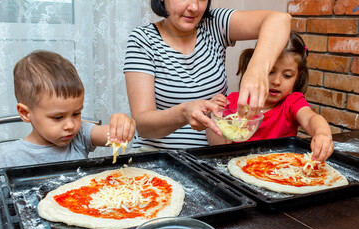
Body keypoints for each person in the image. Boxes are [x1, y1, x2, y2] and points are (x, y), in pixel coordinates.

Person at [124, 0, 291, 151]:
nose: (194, 7)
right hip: (158, 156)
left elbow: (281, 20)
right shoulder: (143, 39)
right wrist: (184, 113)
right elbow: (143, 125)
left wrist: (257, 69)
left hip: (211, 157)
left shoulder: (215, 24)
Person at [207, 31, 334, 162]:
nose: (277, 81)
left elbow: (310, 118)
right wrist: (213, 117)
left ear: (297, 77)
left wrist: (322, 134)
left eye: (287, 76)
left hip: (279, 170)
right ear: (255, 68)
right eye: (270, 72)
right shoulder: (235, 103)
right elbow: (219, 148)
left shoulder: (292, 103)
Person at [0, 50, 136, 168]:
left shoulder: (80, 136)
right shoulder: (7, 157)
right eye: (58, 117)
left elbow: (115, 136)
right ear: (25, 113)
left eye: (76, 113)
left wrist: (123, 125)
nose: (70, 125)